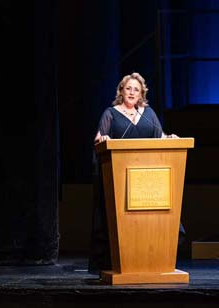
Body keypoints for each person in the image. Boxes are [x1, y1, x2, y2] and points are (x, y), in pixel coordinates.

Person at [88, 72, 185, 274]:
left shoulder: (148, 114)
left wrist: (170, 138)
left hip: (147, 181)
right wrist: (103, 138)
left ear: (142, 93)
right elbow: (98, 138)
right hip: (119, 181)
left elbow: (160, 136)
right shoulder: (111, 113)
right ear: (121, 91)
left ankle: (153, 260)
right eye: (128, 88)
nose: (132, 92)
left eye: (136, 89)